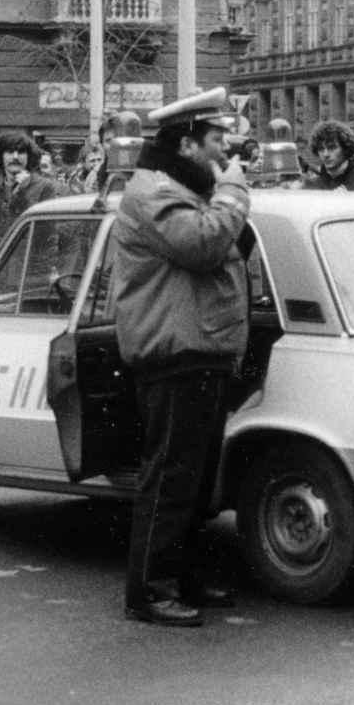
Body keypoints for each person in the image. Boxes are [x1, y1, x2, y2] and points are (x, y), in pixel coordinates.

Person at [110, 87, 251, 627]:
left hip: (198, 349)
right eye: (217, 140)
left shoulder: (180, 188)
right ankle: (149, 589)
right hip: (176, 352)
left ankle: (182, 576)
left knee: (192, 481)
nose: (225, 150)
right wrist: (234, 192)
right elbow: (204, 245)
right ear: (188, 143)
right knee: (171, 478)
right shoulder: (154, 193)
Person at [0, 132, 64, 254]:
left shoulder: (45, 186)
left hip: (30, 268)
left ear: (28, 157)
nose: (15, 157)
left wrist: (21, 195)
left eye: (21, 152)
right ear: (1, 157)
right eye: (9, 152)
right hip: (1, 268)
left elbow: (46, 236)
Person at [304, 121, 354, 192]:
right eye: (321, 149)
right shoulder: (312, 185)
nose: (325, 154)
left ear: (346, 149)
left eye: (332, 148)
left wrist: (349, 202)